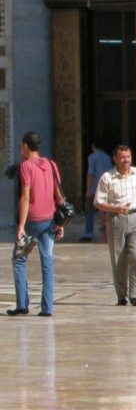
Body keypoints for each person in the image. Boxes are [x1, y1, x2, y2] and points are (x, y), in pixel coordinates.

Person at [8, 132, 64, 317]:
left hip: (32, 220)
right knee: (47, 262)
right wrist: (60, 222)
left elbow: (25, 196)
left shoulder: (26, 166)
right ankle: (47, 307)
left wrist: (21, 226)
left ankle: (22, 304)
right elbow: (58, 196)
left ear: (24, 145)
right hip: (49, 220)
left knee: (19, 260)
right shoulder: (51, 164)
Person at [93, 144, 136, 306]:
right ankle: (122, 295)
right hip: (116, 220)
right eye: (122, 157)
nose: (126, 160)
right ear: (115, 159)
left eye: (128, 157)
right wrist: (115, 208)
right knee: (119, 260)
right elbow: (98, 202)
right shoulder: (107, 178)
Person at [82, 139, 113, 242]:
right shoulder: (108, 157)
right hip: (106, 188)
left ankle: (89, 233)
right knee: (105, 210)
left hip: (95, 188)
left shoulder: (92, 157)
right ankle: (107, 228)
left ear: (93, 146)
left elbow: (90, 174)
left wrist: (87, 190)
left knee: (90, 211)